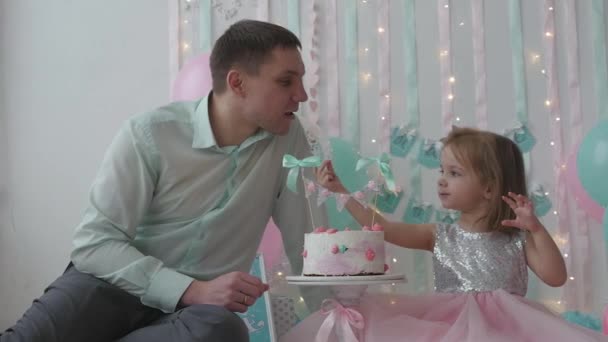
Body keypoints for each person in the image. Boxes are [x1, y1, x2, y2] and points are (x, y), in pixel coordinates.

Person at [1, 19, 326, 342]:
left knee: (221, 330)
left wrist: (338, 323)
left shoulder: (289, 140)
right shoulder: (149, 134)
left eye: (300, 80)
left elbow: (308, 244)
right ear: (238, 83)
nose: (301, 95)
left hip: (193, 320)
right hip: (109, 288)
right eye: (286, 81)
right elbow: (95, 243)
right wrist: (191, 289)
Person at [281, 127, 605, 341]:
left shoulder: (515, 239)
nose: (441, 180)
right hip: (446, 327)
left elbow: (555, 276)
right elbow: (384, 227)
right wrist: (341, 192)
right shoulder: (439, 235)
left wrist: (535, 229)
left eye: (454, 173)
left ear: (489, 188)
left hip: (507, 330)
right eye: (441, 171)